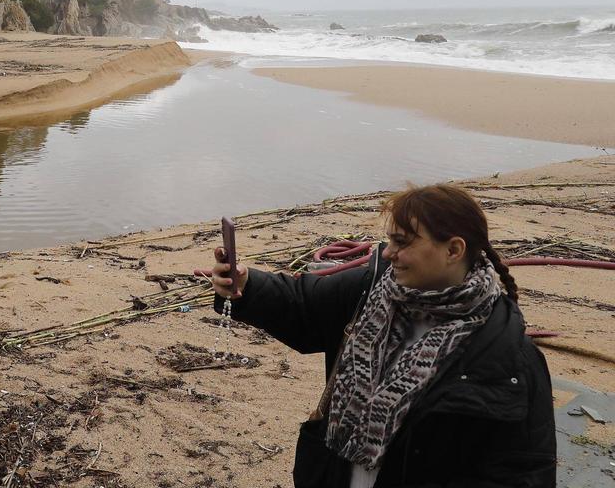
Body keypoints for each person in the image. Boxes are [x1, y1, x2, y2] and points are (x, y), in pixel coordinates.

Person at [198, 184, 555, 488]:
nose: (388, 253)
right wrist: (245, 285)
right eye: (389, 240)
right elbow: (302, 304)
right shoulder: (372, 290)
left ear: (453, 250)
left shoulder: (508, 356)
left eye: (402, 242)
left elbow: (521, 472)